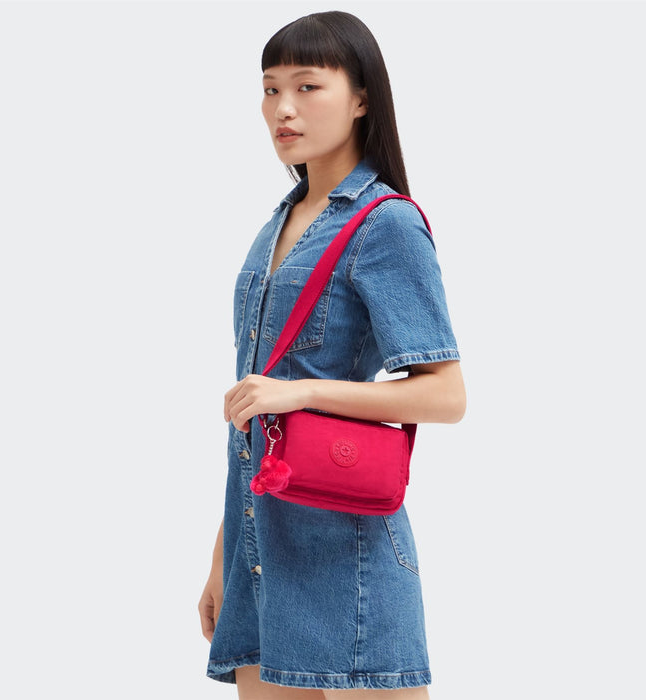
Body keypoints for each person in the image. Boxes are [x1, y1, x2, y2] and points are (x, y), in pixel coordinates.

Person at [198, 10, 466, 699]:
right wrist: (223, 554)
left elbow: (445, 394)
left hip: (348, 558)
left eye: (307, 86)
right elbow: (253, 419)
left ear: (361, 98)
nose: (282, 109)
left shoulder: (386, 223)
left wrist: (304, 392)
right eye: (270, 89)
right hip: (261, 554)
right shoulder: (278, 223)